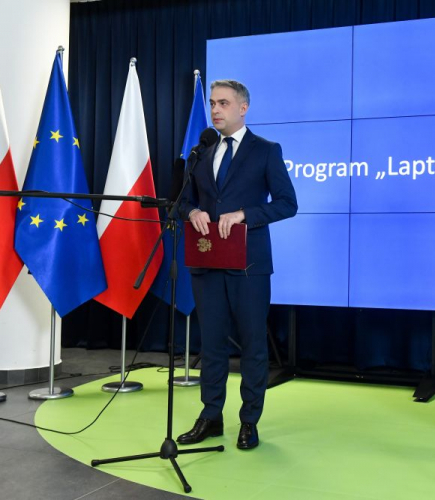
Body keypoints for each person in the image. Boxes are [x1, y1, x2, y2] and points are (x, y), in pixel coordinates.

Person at [177, 79, 297, 450]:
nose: (215, 110)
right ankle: (211, 417)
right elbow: (181, 202)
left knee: (252, 346)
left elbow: (286, 203)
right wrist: (193, 210)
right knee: (211, 346)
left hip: (248, 265)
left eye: (223, 103)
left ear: (242, 108)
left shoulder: (265, 151)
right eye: (213, 103)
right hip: (207, 262)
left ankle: (249, 422)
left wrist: (246, 213)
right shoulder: (201, 152)